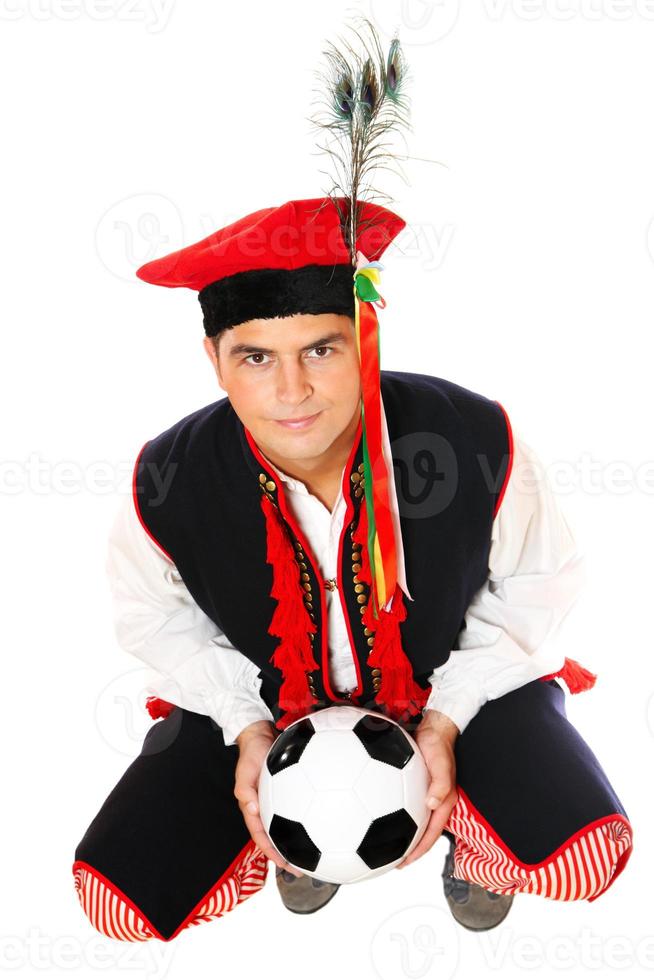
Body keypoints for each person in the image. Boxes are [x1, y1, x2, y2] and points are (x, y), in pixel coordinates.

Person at [71, 196, 633, 942]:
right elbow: (153, 616)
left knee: (584, 852)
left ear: (366, 339)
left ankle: (468, 834)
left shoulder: (472, 434)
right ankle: (298, 822)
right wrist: (244, 731)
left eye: (321, 350)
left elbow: (539, 581)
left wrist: (444, 719)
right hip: (267, 711)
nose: (292, 391)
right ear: (215, 361)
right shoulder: (167, 475)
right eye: (256, 357)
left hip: (457, 692)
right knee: (119, 898)